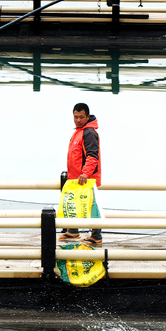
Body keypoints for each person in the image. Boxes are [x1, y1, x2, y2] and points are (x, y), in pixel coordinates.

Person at [61, 102, 103, 245]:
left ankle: (96, 235)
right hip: (75, 178)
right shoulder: (79, 131)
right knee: (73, 204)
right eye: (75, 117)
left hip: (86, 178)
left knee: (91, 206)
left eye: (81, 117)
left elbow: (92, 156)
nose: (78, 120)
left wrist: (85, 173)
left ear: (88, 117)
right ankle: (73, 231)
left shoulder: (89, 132)